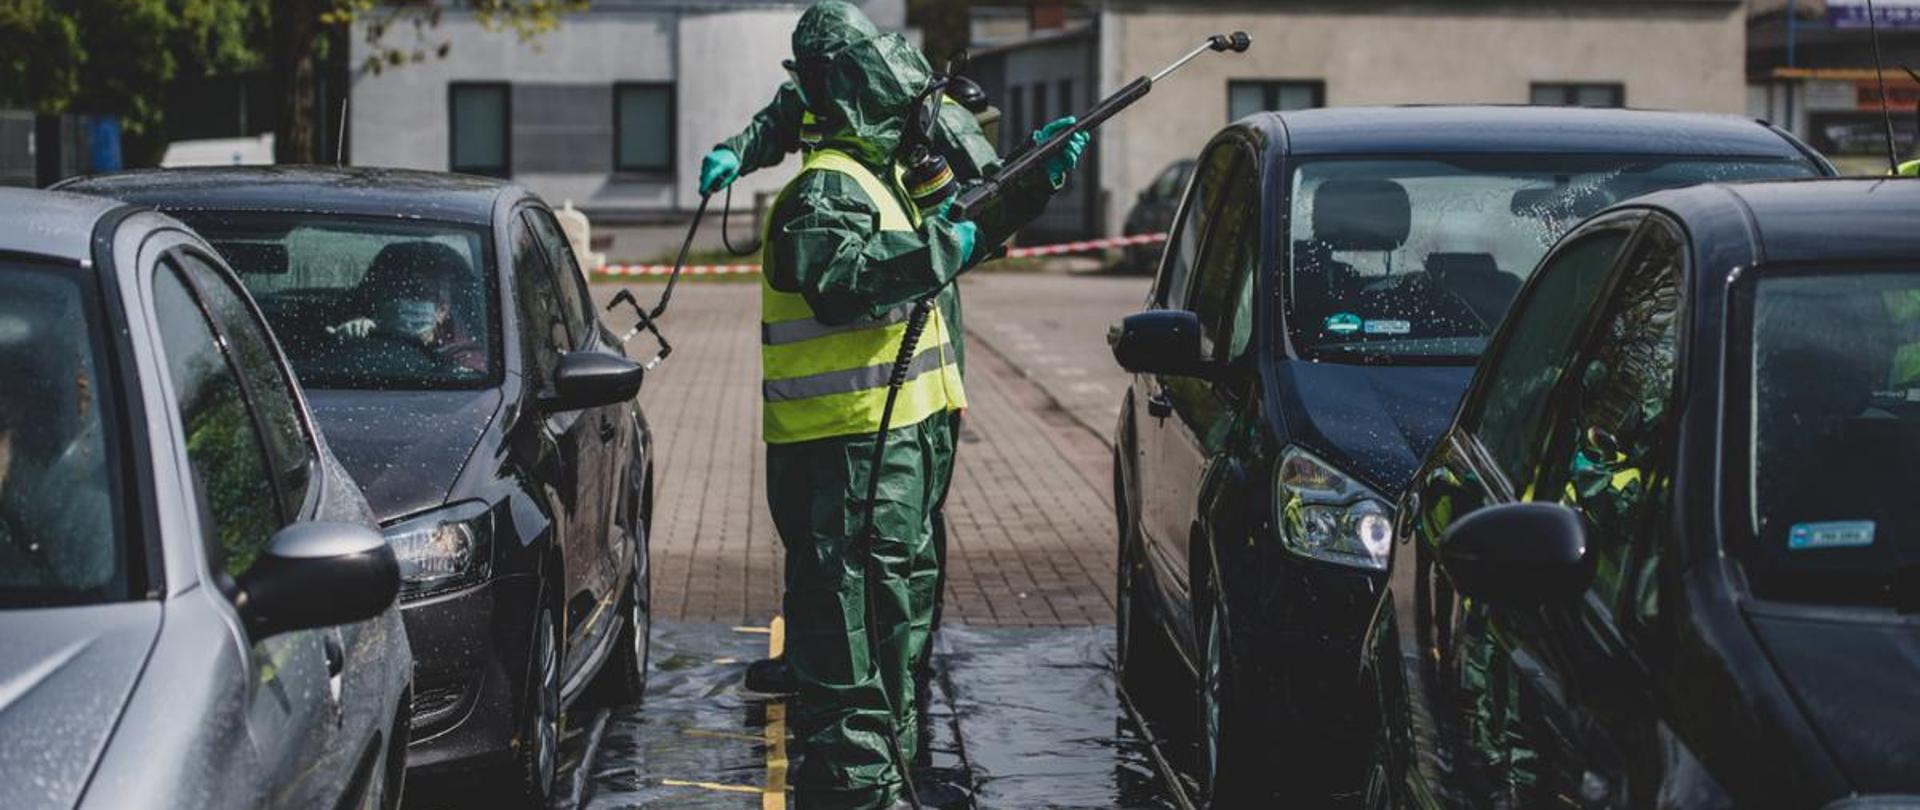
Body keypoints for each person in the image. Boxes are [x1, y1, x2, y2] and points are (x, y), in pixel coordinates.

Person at [746, 3, 1086, 806]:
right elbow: (845, 281)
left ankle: (883, 787)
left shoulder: (882, 178)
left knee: (891, 644)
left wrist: (1028, 184)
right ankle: (860, 796)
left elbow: (955, 227)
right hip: (848, 460)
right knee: (851, 656)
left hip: (891, 454)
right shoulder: (825, 188)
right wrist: (945, 245)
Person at [329, 241, 486, 373]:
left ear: (443, 307)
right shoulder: (362, 332)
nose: (403, 299)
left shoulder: (469, 360)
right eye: (395, 290)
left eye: (419, 292)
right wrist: (353, 338)